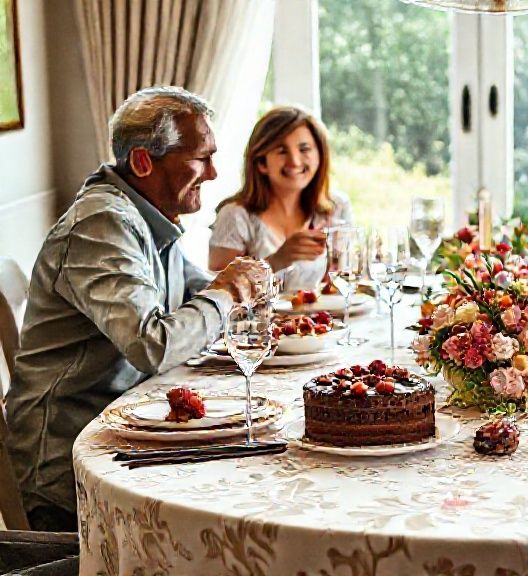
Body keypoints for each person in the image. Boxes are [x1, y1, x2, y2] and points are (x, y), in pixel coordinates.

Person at [5, 86, 268, 531]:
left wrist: (241, 290)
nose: (214, 172)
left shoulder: (148, 216)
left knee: (253, 467)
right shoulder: (102, 224)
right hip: (70, 464)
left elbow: (192, 288)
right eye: (200, 158)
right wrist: (227, 294)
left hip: (130, 431)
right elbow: (153, 345)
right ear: (144, 162)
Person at [208, 106, 353, 292]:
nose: (295, 161)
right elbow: (218, 294)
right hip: (261, 322)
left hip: (323, 320)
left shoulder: (337, 207)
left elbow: (342, 284)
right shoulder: (235, 216)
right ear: (261, 163)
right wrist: (277, 261)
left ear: (320, 156)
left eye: (304, 149)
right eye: (282, 150)